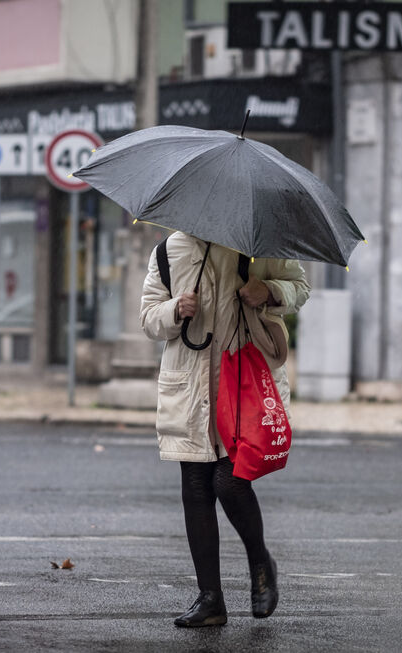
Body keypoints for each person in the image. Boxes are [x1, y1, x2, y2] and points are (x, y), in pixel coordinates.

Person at [140, 231, 310, 628]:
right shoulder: (168, 251)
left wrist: (268, 291)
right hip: (189, 383)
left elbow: (300, 289)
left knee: (229, 482)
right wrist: (173, 310)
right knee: (195, 486)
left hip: (242, 382)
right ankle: (210, 599)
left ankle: (261, 564)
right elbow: (148, 318)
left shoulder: (262, 245)